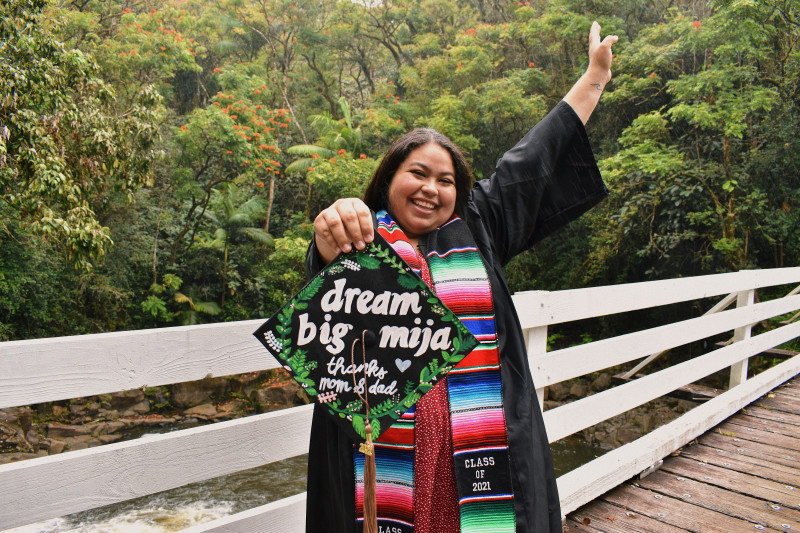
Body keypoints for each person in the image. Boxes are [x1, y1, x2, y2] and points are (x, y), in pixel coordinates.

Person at [305, 21, 618, 533]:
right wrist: (328, 234)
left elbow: (535, 155)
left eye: (446, 180)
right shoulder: (359, 237)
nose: (431, 188)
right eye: (418, 174)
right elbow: (322, 292)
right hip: (379, 457)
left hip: (472, 450)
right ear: (387, 181)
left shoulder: (479, 227)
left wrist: (594, 80)